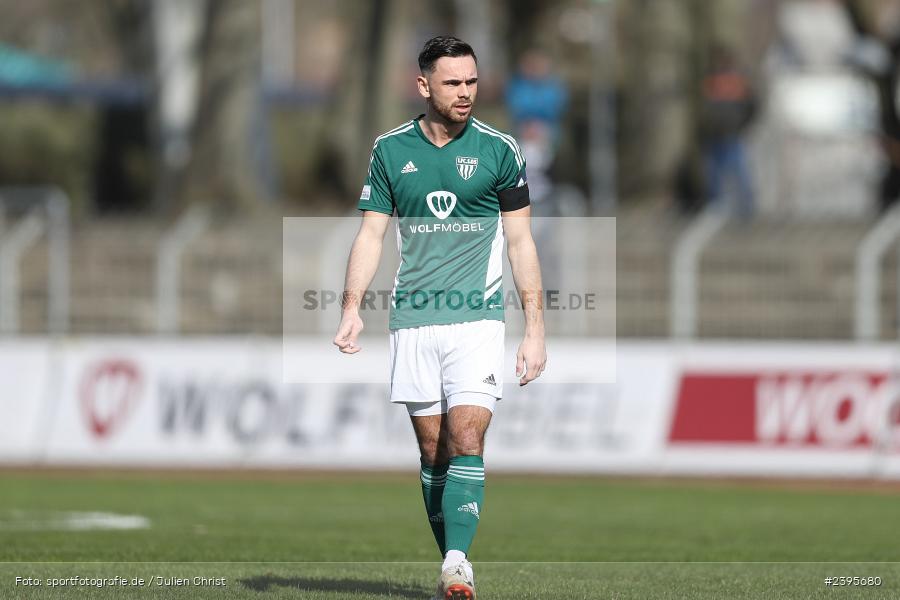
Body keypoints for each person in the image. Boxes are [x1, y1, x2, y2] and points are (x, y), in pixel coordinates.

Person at [333, 36, 547, 600]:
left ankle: (457, 563)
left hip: (477, 320)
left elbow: (521, 243)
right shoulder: (389, 150)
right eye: (453, 83)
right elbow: (372, 232)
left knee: (466, 434)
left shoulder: (501, 150)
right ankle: (452, 558)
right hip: (413, 321)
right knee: (433, 453)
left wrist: (536, 328)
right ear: (423, 85)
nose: (465, 93)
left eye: (472, 82)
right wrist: (351, 308)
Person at [700, 44, 758, 218]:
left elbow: (752, 106)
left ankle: (746, 209)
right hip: (713, 136)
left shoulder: (737, 81)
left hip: (732, 135)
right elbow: (704, 109)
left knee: (739, 173)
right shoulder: (710, 81)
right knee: (714, 177)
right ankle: (716, 209)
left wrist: (743, 125)